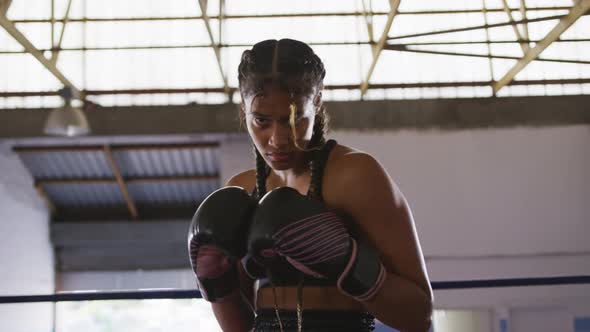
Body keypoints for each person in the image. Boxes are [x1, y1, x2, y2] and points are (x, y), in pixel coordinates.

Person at [188, 38, 433, 332]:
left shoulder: (356, 176)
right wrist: (216, 284)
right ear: (244, 109)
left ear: (316, 101)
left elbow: (418, 314)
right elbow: (239, 327)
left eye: (293, 120)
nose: (277, 139)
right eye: (262, 121)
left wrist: (346, 262)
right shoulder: (242, 190)